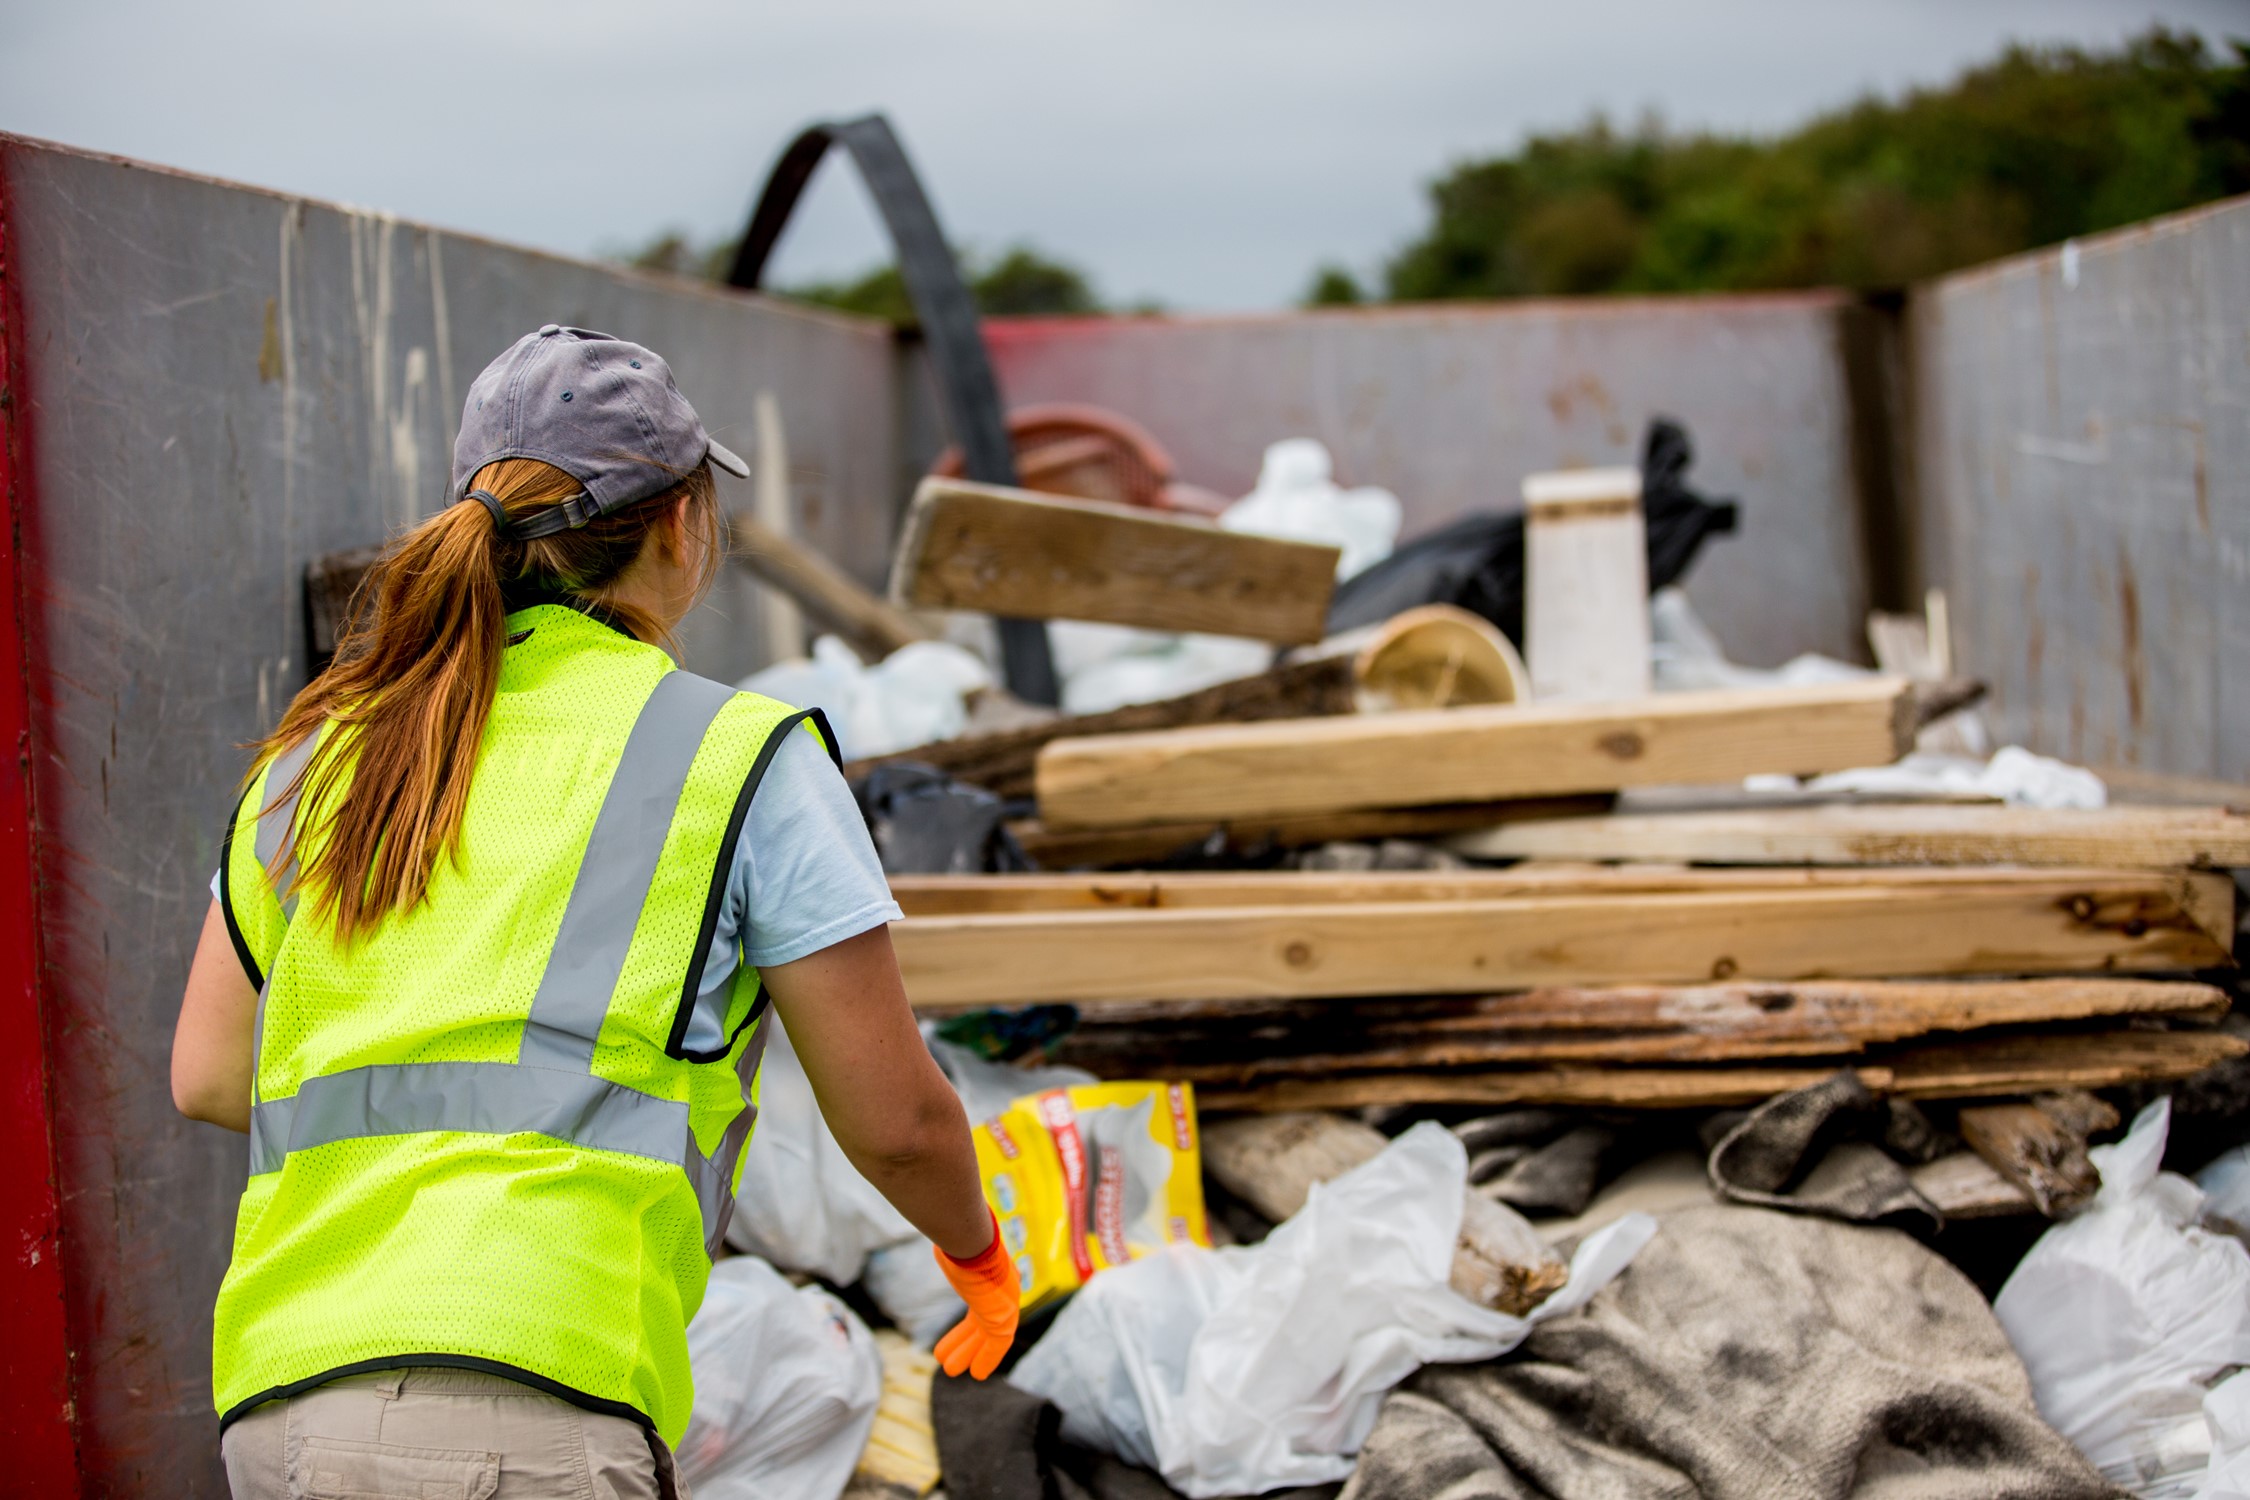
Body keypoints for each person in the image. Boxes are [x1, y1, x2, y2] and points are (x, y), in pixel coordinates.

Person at [171, 325, 1019, 1499]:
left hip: (282, 1403)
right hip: (537, 1395)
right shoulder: (733, 755)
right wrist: (975, 1253)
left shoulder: (317, 759)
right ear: (683, 525)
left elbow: (209, 1078)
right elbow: (897, 1125)